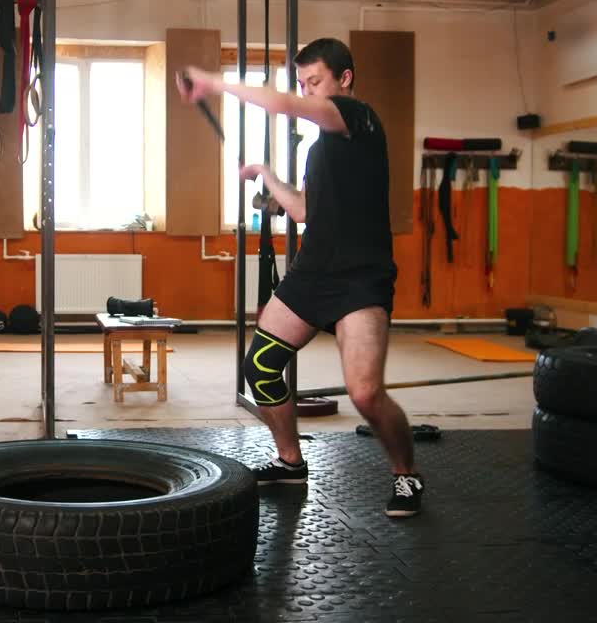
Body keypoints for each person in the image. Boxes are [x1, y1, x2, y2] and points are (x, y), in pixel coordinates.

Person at [176, 38, 423, 518]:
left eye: (316, 82)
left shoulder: (358, 118)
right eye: (304, 84)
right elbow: (305, 208)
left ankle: (406, 475)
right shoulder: (322, 147)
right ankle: (290, 461)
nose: (308, 92)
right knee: (261, 366)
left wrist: (213, 83)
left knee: (366, 393)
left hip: (360, 279)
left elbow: (282, 105)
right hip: (312, 273)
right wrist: (267, 176)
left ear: (344, 79)